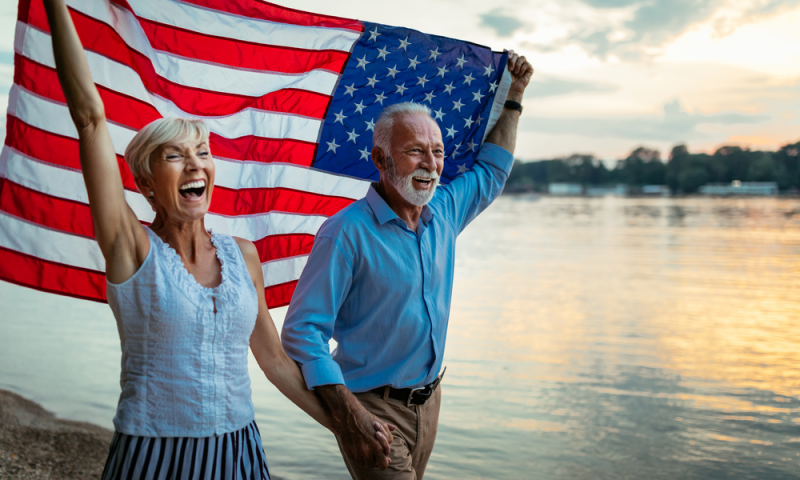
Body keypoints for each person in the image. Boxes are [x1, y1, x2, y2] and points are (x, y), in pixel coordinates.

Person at [41, 1, 393, 478]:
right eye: (174, 155)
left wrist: (345, 425)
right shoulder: (132, 249)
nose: (194, 164)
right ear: (145, 183)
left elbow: (276, 364)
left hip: (239, 448)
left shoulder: (241, 254)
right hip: (153, 451)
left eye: (202, 153)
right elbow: (89, 119)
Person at [281, 52, 534, 479]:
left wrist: (514, 98)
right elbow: (302, 331)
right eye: (415, 151)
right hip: (372, 408)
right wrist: (349, 415)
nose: (431, 164)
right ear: (380, 161)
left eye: (436, 152)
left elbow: (492, 167)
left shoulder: (446, 210)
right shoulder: (345, 233)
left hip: (431, 403)